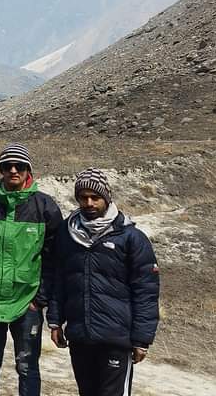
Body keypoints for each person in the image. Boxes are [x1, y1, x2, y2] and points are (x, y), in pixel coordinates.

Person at [47, 168, 160, 396]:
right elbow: (59, 280)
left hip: (117, 339)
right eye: (83, 197)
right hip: (80, 336)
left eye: (95, 197)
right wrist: (55, 321)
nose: (89, 203)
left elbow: (146, 291)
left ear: (107, 198)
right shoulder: (67, 234)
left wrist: (142, 339)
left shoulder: (131, 238)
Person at [0, 143, 62, 396]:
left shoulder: (45, 207)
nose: (13, 170)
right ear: (0, 169)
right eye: (7, 166)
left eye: (19, 166)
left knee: (28, 366)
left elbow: (55, 259)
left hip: (27, 302)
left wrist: (40, 298)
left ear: (27, 169)